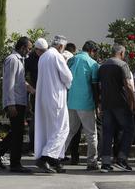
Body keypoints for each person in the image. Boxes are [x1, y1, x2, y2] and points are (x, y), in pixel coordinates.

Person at [0, 36, 34, 173]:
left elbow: (19, 82)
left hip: (19, 102)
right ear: (22, 47)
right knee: (17, 134)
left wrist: (32, 89)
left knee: (16, 132)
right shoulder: (13, 60)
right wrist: (11, 105)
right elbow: (8, 84)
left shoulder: (20, 60)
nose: (29, 51)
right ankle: (15, 164)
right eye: (29, 48)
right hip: (15, 103)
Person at [35, 35, 73, 173]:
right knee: (62, 128)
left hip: (46, 97)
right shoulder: (57, 56)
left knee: (51, 130)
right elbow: (68, 77)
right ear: (61, 46)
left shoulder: (44, 56)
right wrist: (68, 84)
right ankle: (47, 156)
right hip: (56, 98)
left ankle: (55, 160)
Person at [98, 43, 135, 173]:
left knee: (107, 132)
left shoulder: (102, 66)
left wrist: (100, 104)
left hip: (106, 103)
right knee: (129, 129)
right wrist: (133, 102)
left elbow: (100, 86)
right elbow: (128, 85)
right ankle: (121, 159)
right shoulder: (122, 65)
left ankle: (105, 162)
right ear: (121, 53)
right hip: (121, 103)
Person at [64, 40, 100, 170]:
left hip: (71, 101)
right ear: (92, 51)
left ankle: (57, 157)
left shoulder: (72, 60)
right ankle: (92, 162)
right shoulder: (93, 64)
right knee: (91, 134)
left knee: (69, 132)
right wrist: (97, 104)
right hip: (86, 102)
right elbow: (95, 86)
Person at [25, 38, 48, 154]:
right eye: (41, 51)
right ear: (36, 50)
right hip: (36, 93)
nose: (43, 53)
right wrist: (31, 89)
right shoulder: (30, 59)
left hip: (48, 93)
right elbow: (21, 77)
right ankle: (32, 146)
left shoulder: (49, 57)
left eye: (45, 51)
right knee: (35, 120)